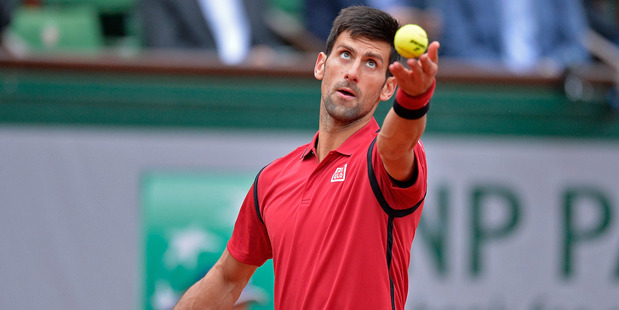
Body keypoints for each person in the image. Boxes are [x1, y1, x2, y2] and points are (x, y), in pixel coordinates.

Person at [174, 5, 439, 310]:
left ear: (388, 88)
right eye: (345, 55)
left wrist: (414, 99)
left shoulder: (380, 162)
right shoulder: (271, 180)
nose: (352, 72)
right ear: (320, 66)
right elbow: (227, 278)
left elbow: (396, 143)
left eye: (370, 63)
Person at [439, 0, 590, 74]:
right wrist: (507, 73)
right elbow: (457, 48)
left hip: (547, 94)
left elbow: (576, 47)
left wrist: (549, 65)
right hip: (487, 92)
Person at [138, 0, 285, 65]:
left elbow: (265, 40)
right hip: (196, 92)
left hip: (255, 86)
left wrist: (266, 54)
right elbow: (165, 52)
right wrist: (237, 64)